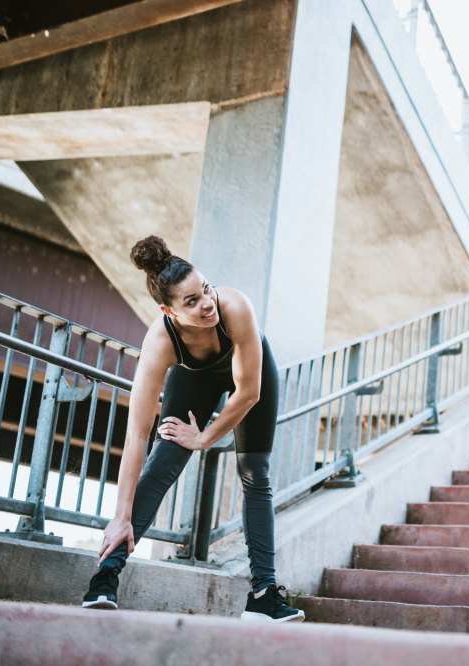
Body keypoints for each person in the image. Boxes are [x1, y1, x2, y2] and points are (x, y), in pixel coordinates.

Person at [80, 235, 303, 622]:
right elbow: (137, 433)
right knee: (164, 458)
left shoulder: (234, 307)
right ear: (169, 311)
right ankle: (107, 573)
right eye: (192, 302)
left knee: (254, 471)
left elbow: (248, 393)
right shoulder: (159, 343)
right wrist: (120, 514)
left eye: (206, 290)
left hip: (250, 373)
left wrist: (204, 438)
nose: (207, 304)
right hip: (193, 377)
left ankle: (264, 594)